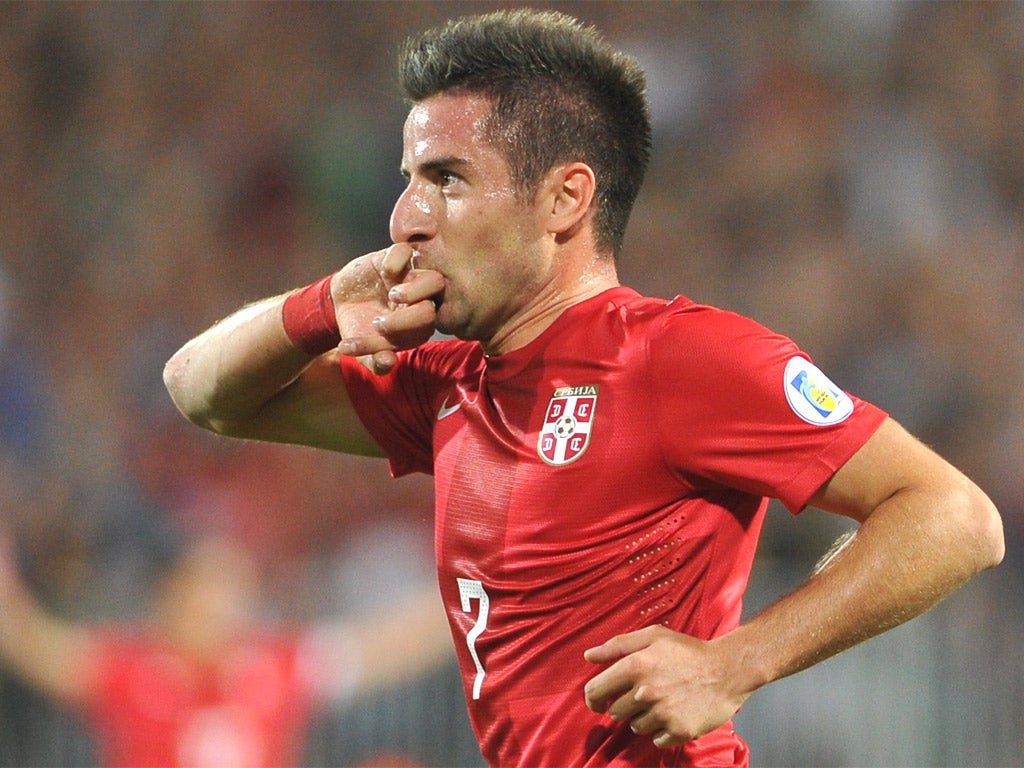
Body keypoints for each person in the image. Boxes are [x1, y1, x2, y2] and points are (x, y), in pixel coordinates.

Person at [163, 9, 1004, 767]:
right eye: (408, 179)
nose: (405, 218)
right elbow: (203, 393)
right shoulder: (446, 386)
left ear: (565, 198)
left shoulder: (678, 359)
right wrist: (320, 306)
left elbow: (955, 517)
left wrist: (736, 662)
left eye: (446, 179)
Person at [0, 532, 451, 768]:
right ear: (174, 598)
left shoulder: (279, 666)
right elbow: (28, 642)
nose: (224, 608)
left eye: (235, 591)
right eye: (210, 590)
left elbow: (392, 646)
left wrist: (476, 592)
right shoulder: (128, 669)